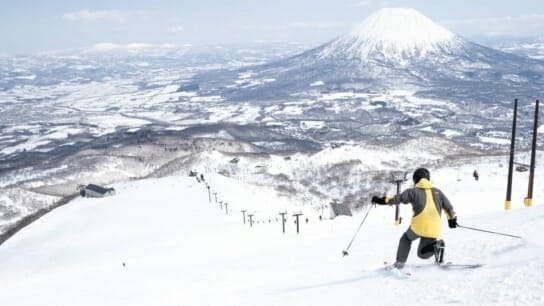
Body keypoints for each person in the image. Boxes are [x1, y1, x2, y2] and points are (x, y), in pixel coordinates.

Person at [372, 168, 458, 269]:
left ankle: (399, 264)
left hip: (419, 225)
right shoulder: (437, 192)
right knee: (422, 253)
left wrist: (381, 200)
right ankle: (436, 246)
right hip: (434, 227)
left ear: (415, 180)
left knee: (406, 239)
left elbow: (397, 199)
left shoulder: (413, 192)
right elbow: (449, 208)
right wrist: (452, 220)